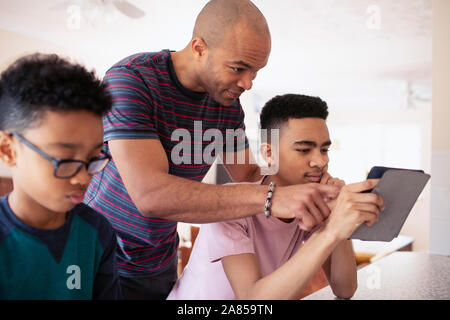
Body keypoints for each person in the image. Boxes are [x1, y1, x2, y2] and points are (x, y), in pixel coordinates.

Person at [84, 0, 339, 299]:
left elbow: (250, 175)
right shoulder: (132, 80)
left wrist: (312, 179)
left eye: (255, 71)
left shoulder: (227, 106)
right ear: (199, 48)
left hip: (160, 260)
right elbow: (150, 196)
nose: (247, 83)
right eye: (238, 68)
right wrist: (273, 197)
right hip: (102, 257)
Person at [167, 94, 385, 300]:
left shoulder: (314, 203)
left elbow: (344, 287)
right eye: (303, 150)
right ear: (268, 153)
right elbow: (252, 298)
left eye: (324, 150)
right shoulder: (233, 205)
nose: (320, 161)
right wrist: (331, 230)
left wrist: (335, 216)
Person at [0, 53, 122, 299]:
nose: (84, 179)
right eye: (65, 160)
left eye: (92, 159)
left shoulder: (97, 232)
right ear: (9, 150)